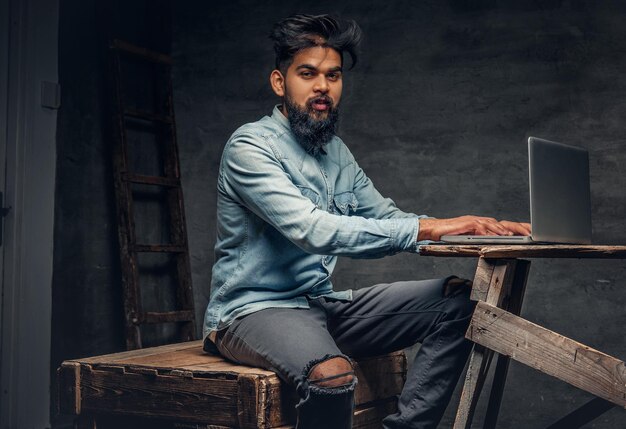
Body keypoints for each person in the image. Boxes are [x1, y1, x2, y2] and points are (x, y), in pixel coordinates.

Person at [202, 14, 530, 429]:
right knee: (333, 376)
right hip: (252, 312)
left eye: (333, 75)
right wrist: (428, 229)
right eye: (308, 73)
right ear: (280, 83)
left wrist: (478, 228)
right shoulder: (250, 146)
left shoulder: (336, 153)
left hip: (319, 303)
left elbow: (388, 218)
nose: (323, 86)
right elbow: (313, 230)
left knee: (459, 305)